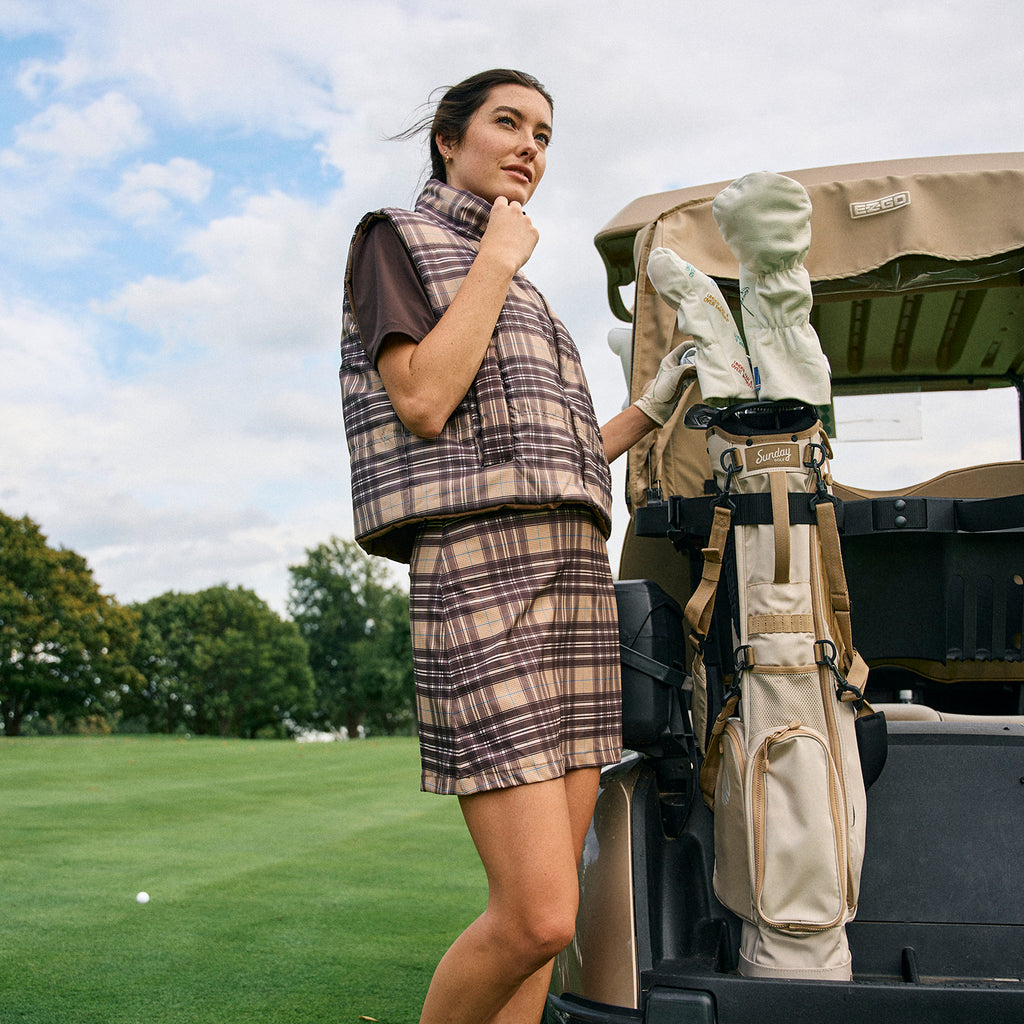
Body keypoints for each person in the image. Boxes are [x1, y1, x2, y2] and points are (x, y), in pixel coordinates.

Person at [339, 69, 688, 1024]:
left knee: (556, 909)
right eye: (508, 122)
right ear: (449, 140)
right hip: (483, 572)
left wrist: (653, 407)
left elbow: (555, 459)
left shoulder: (528, 293)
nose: (530, 145)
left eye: (543, 133)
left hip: (577, 581)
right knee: (536, 917)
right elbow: (423, 399)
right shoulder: (395, 239)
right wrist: (495, 257)